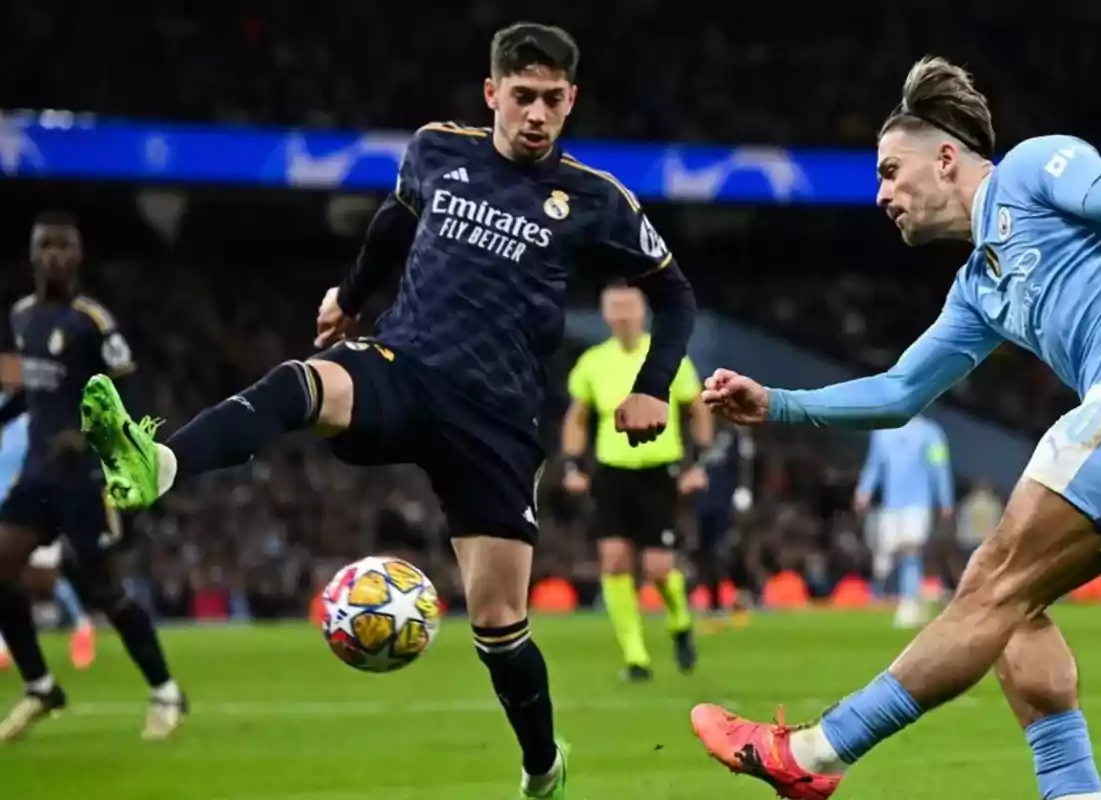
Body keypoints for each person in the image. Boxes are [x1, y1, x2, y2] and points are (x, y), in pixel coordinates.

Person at [80, 22, 695, 800]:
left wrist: (652, 381)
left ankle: (542, 767)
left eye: (551, 100)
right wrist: (350, 298)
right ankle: (160, 463)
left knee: (500, 623)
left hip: (498, 422)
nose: (536, 114)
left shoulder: (599, 200)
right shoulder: (437, 149)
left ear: (571, 101)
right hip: (406, 366)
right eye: (521, 96)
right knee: (303, 382)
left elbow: (675, 294)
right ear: (491, 94)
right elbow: (393, 225)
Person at [690, 56, 1101, 800]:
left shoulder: (1028, 170)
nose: (881, 195)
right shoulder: (979, 288)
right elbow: (899, 392)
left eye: (892, 172)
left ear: (948, 158)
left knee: (989, 588)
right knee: (1012, 612)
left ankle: (811, 752)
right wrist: (777, 403)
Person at [0, 212, 185, 742]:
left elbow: (133, 398)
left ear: (78, 257)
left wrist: (88, 436)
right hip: (37, 475)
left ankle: (166, 691)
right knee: (1, 565)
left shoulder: (94, 323)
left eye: (65, 246)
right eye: (46, 245)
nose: (55, 254)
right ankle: (40, 686)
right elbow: (35, 393)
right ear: (32, 254)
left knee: (102, 586)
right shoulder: (22, 317)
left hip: (85, 478)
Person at [561, 282, 711, 681]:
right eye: (615, 309)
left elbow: (697, 410)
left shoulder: (666, 357)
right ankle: (636, 656)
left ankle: (680, 623)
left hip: (660, 471)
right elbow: (577, 416)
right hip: (612, 472)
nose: (622, 316)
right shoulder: (593, 362)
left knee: (659, 568)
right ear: (605, 315)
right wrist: (573, 466)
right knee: (613, 561)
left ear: (642, 313)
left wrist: (699, 462)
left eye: (629, 308)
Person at [0, 408, 95, 672]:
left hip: (34, 506)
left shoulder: (39, 421)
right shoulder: (11, 422)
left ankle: (82, 627)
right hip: (9, 509)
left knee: (44, 580)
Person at [853, 415, 954, 628]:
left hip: (918, 505)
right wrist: (864, 490)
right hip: (891, 507)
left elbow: (940, 466)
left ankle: (909, 603)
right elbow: (875, 464)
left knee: (911, 554)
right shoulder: (882, 432)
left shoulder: (930, 433)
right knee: (884, 561)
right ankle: (881, 602)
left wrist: (945, 499)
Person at [693, 420, 755, 632]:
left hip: (727, 503)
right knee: (706, 554)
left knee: (728, 552)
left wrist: (744, 488)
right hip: (702, 503)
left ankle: (741, 597)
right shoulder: (695, 433)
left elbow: (746, 463)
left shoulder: (733, 434)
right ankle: (714, 607)